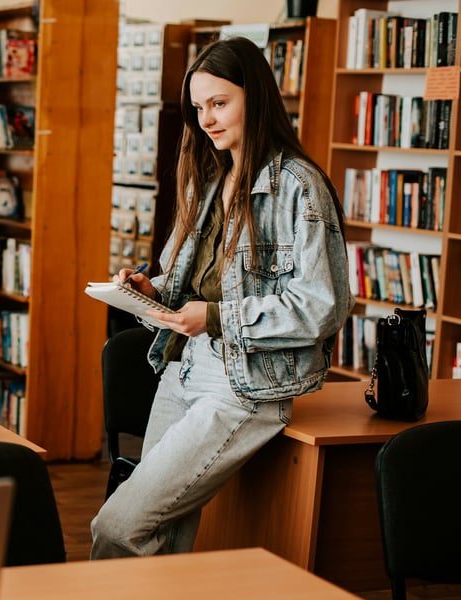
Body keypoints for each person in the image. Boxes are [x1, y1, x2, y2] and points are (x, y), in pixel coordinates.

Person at [90, 37, 352, 559]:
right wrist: (152, 290)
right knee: (159, 537)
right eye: (198, 107)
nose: (206, 119)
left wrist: (214, 317)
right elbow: (192, 283)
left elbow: (323, 306)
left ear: (255, 96)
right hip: (182, 367)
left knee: (120, 525)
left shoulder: (300, 187)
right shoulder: (212, 178)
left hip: (244, 383)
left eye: (219, 103)